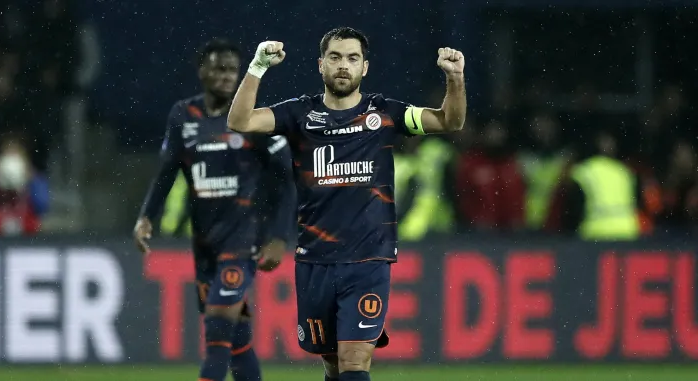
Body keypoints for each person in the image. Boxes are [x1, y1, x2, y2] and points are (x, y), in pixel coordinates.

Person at [227, 27, 466, 381]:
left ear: (365, 68)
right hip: (315, 261)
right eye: (336, 58)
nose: (344, 66)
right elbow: (239, 121)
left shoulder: (384, 113)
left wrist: (455, 78)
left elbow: (450, 120)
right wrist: (257, 67)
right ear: (321, 64)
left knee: (355, 361)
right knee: (333, 365)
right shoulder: (299, 114)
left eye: (353, 58)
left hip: (368, 260)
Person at [132, 38, 295, 381]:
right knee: (236, 340)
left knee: (218, 327)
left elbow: (286, 181)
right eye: (219, 69)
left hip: (243, 238)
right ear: (202, 71)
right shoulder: (183, 115)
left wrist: (279, 236)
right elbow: (166, 171)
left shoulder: (252, 119)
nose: (226, 77)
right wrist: (147, 216)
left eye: (232, 70)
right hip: (205, 243)